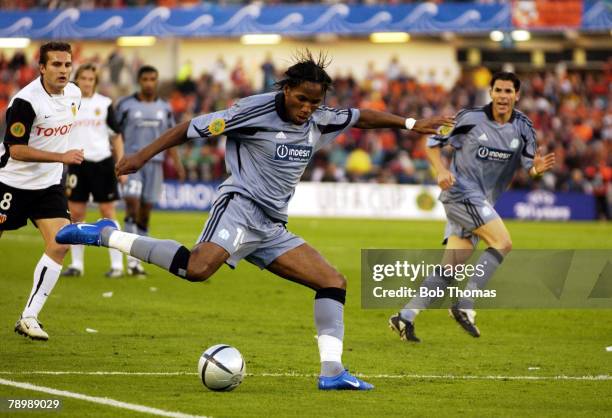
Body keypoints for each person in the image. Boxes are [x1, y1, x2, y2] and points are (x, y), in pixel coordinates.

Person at [57, 51, 452, 389]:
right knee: (197, 270)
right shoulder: (251, 111)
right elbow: (188, 128)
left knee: (332, 281)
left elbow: (361, 116)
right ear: (285, 91)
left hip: (272, 225)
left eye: (314, 103)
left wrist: (412, 125)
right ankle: (106, 235)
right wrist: (142, 155)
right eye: (301, 100)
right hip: (240, 206)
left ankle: (332, 372)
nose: (307, 109)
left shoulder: (320, 118)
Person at [389, 71, 556, 343]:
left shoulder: (524, 127)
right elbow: (431, 143)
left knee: (451, 267)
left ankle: (404, 317)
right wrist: (441, 170)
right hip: (460, 193)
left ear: (517, 95)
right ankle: (465, 304)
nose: (503, 96)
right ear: (490, 92)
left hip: (482, 201)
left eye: (508, 91)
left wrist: (536, 170)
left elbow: (530, 168)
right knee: (502, 242)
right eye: (498, 90)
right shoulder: (469, 118)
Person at [0, 42, 83, 341]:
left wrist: (63, 160)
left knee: (61, 243)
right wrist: (62, 157)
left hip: (48, 185)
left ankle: (29, 316)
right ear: (42, 68)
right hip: (11, 183)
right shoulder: (26, 101)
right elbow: (17, 150)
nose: (63, 70)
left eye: (67, 64)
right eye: (57, 65)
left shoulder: (74, 94)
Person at [114, 65, 184, 276]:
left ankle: (139, 258)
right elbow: (115, 135)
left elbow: (171, 138)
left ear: (157, 81)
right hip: (132, 165)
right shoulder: (125, 105)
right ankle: (132, 260)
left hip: (155, 165)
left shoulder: (165, 107)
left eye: (153, 79)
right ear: (139, 81)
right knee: (132, 206)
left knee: (144, 214)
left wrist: (177, 165)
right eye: (145, 79)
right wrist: (118, 161)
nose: (149, 83)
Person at [60, 63, 125, 278]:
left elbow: (116, 136)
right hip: (77, 164)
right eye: (83, 78)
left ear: (95, 82)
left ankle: (117, 265)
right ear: (76, 80)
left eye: (91, 79)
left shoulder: (104, 104)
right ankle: (77, 265)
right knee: (76, 214)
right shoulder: (67, 103)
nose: (87, 82)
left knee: (107, 212)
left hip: (102, 163)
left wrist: (122, 165)